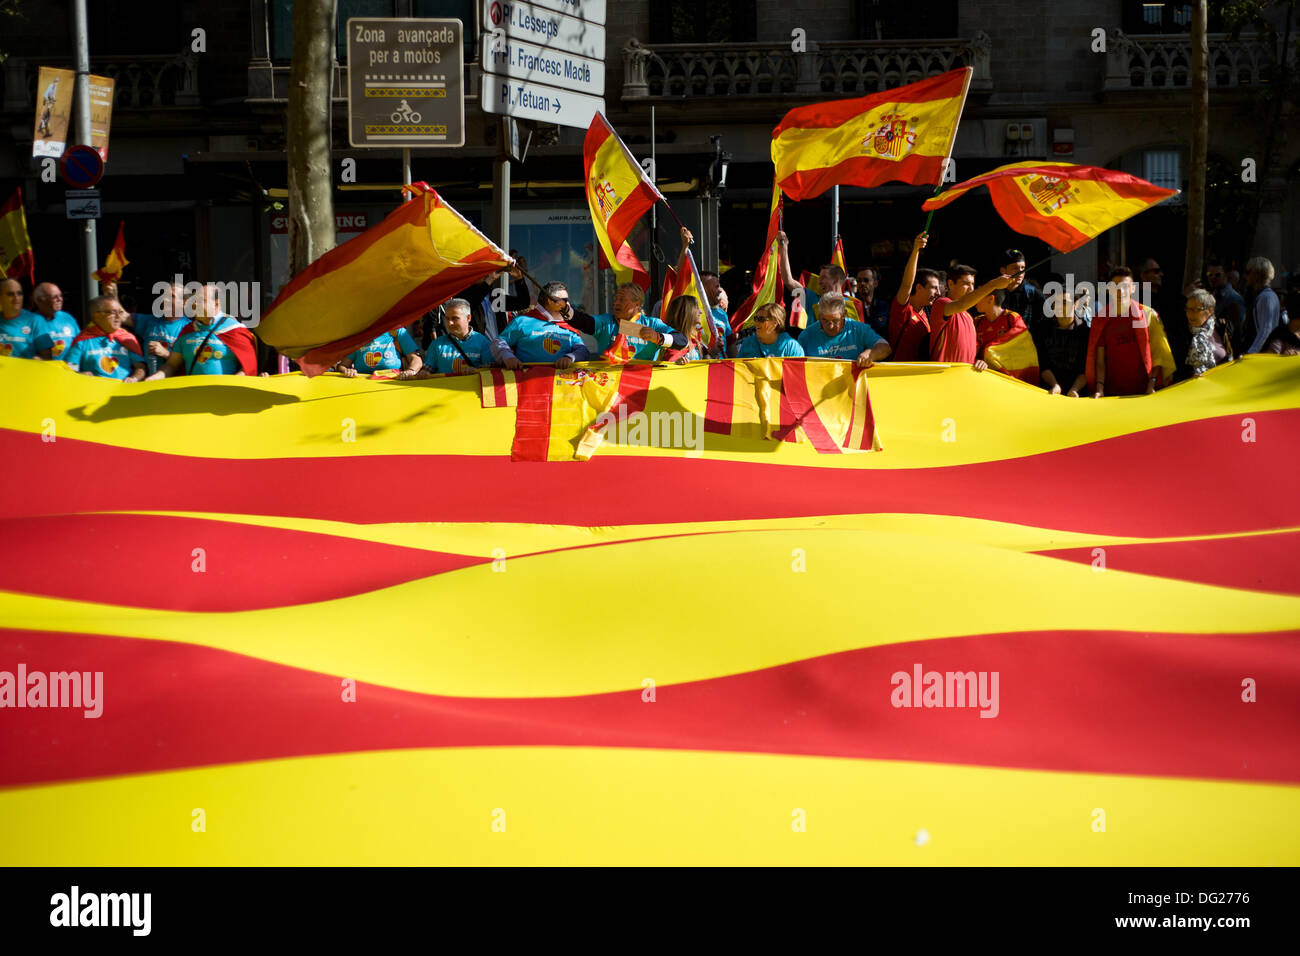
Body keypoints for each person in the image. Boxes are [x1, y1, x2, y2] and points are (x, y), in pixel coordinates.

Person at [145, 284, 257, 378]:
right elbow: (172, 365)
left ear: (216, 304)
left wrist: (228, 388)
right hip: (193, 398)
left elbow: (248, 368)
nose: (193, 305)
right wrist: (155, 378)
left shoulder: (235, 331)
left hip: (224, 399)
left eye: (199, 301)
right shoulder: (187, 331)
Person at [1087, 267, 1160, 397]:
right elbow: (1100, 361)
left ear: (1133, 288)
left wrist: (1151, 384)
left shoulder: (1149, 314)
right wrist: (1100, 388)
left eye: (1125, 286)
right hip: (1112, 393)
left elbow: (1158, 353)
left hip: (1145, 391)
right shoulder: (1100, 320)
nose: (1120, 290)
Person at [491, 280, 593, 370]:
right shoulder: (522, 321)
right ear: (550, 301)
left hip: (560, 386)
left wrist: (570, 357)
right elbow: (498, 342)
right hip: (526, 384)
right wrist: (508, 357)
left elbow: (583, 351)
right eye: (565, 300)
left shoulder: (570, 325)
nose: (568, 305)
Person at [930, 265, 1012, 365]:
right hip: (942, 376)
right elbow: (961, 304)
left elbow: (969, 353)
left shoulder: (969, 317)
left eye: (973, 284)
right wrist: (993, 285)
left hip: (964, 377)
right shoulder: (941, 303)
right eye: (966, 284)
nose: (971, 289)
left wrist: (978, 361)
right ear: (950, 284)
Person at [61, 295, 146, 381]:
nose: (118, 316)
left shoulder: (127, 339)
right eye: (112, 312)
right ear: (97, 315)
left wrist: (133, 378)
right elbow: (69, 369)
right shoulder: (82, 341)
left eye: (120, 312)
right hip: (94, 392)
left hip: (123, 391)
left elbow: (141, 367)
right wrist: (80, 375)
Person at [797, 293, 890, 367]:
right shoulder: (806, 336)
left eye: (835, 320)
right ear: (819, 315)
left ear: (844, 314)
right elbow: (795, 367)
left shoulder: (858, 329)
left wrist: (871, 354)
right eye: (824, 320)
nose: (830, 326)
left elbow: (885, 347)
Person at [889, 232, 937, 361]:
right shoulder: (903, 309)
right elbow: (906, 284)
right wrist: (916, 250)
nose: (937, 293)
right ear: (919, 287)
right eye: (933, 288)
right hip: (899, 375)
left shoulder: (926, 314)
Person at [1032, 287, 1089, 396]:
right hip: (1048, 391)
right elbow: (1043, 363)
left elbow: (1086, 368)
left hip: (1078, 393)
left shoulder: (1085, 332)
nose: (1059, 307)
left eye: (1064, 302)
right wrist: (1055, 385)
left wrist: (1074, 389)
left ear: (1075, 304)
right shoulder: (1042, 330)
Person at [423, 298, 496, 374]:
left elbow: (490, 371)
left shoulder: (483, 343)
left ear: (468, 318)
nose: (450, 323)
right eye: (447, 318)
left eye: (455, 318)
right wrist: (424, 373)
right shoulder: (436, 344)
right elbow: (428, 369)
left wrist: (475, 371)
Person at [132, 281, 190, 376]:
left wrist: (166, 354)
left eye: (172, 296)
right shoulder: (149, 321)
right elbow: (120, 317)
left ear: (184, 303)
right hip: (149, 383)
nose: (166, 300)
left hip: (176, 385)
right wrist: (111, 292)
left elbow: (192, 363)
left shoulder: (189, 328)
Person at [335, 323, 423, 378]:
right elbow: (342, 366)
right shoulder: (357, 337)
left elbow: (416, 360)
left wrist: (410, 371)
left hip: (393, 389)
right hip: (363, 391)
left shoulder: (396, 331)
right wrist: (347, 371)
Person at [30, 283, 80, 360]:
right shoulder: (30, 322)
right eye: (54, 297)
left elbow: (79, 345)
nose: (60, 299)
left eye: (60, 296)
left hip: (70, 369)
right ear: (40, 300)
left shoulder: (67, 318)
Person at [1241, 256, 1281, 354]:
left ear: (1257, 274)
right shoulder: (1263, 296)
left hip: (1259, 356)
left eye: (1248, 272)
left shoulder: (1266, 297)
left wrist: (1251, 353)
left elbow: (1266, 330)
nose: (1245, 277)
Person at [737, 302, 804, 358]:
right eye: (755, 318)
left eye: (761, 319)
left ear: (775, 323)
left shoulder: (791, 346)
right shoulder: (748, 343)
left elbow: (797, 372)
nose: (756, 322)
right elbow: (738, 370)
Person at [1000, 249, 1046, 328]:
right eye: (1015, 268)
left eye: (1023, 268)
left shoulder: (1032, 292)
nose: (1020, 272)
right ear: (1003, 270)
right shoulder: (994, 291)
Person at [1206, 261, 1244, 353]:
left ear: (1226, 276)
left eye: (1217, 275)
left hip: (1226, 352)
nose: (1213, 278)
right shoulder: (1210, 295)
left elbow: (1238, 331)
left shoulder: (1234, 298)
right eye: (1209, 274)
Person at [1183, 289, 1222, 377]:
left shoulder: (1222, 328)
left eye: (1195, 310)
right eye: (1188, 309)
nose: (1189, 314)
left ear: (1210, 311)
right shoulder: (1182, 333)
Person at [0, 279, 39, 359]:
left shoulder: (37, 321)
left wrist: (38, 360)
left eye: (19, 293)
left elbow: (47, 356)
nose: (16, 297)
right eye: (10, 294)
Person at [662, 296, 706, 363]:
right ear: (686, 312)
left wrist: (715, 351)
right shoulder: (671, 342)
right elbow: (665, 368)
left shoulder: (695, 340)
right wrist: (676, 363)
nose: (700, 312)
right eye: (696, 308)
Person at [853, 266, 891, 337]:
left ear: (875, 283)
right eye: (859, 281)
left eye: (866, 280)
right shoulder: (852, 306)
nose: (862, 283)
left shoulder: (885, 306)